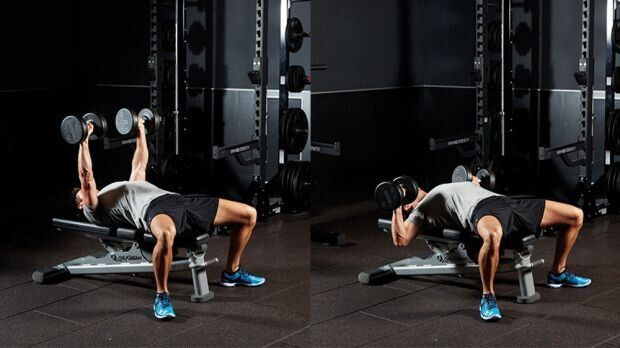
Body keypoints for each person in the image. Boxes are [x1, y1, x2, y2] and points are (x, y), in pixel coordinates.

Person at [72, 120, 265, 320]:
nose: (87, 191)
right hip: (154, 209)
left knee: (249, 214)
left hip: (178, 200)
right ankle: (161, 295)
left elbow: (139, 165)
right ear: (80, 204)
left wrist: (140, 130)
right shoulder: (92, 208)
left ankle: (232, 272)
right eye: (81, 195)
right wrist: (83, 141)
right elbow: (86, 176)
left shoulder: (117, 189)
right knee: (165, 235)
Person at [390, 176, 591, 321]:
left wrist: (472, 179)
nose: (411, 191)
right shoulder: (420, 211)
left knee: (576, 215)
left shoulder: (443, 186)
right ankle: (488, 297)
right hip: (481, 210)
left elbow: (473, 182)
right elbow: (401, 239)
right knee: (493, 235)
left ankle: (558, 273)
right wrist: (395, 205)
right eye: (405, 194)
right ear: (407, 206)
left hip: (509, 202)